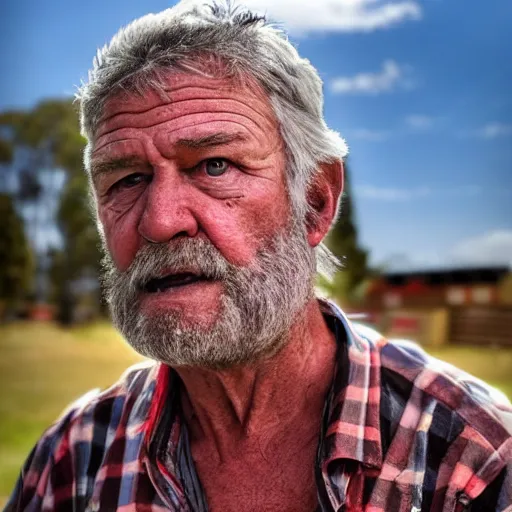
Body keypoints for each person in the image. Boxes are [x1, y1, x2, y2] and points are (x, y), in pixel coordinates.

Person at [6, 2, 512, 511]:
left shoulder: (474, 460)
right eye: (127, 179)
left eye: (215, 165)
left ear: (315, 201)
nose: (160, 221)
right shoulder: (73, 462)